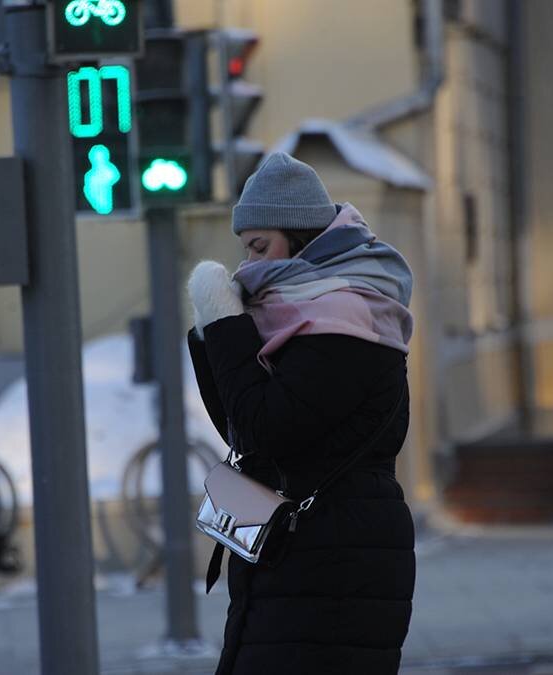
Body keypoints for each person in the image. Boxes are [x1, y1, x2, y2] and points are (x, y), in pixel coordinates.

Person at [186, 152, 416, 675]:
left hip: (335, 565)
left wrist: (223, 323)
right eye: (245, 249)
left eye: (259, 247)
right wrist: (210, 334)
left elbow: (262, 429)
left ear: (302, 239)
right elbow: (237, 424)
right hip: (301, 556)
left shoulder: (346, 320)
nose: (247, 266)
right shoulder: (304, 316)